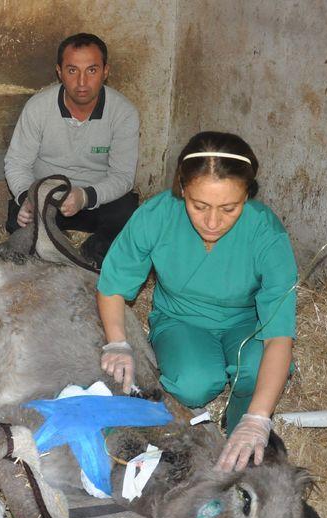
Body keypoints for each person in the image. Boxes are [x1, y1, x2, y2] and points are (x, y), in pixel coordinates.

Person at [96, 131, 297, 473]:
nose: (213, 222)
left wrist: (258, 418)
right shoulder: (157, 215)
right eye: (199, 206)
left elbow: (279, 334)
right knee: (193, 383)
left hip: (248, 322)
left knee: (254, 371)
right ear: (182, 189)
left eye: (229, 208)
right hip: (180, 318)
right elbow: (113, 284)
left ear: (247, 195)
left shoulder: (266, 234)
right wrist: (117, 341)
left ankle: (241, 446)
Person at [4, 32, 140, 271]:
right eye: (72, 70)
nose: (82, 82)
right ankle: (51, 256)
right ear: (59, 72)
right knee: (20, 222)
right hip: (46, 199)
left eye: (92, 70)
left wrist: (84, 196)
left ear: (106, 71)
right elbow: (17, 163)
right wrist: (29, 198)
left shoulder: (123, 112)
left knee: (129, 213)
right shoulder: (38, 107)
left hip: (95, 198)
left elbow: (123, 177)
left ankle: (90, 259)